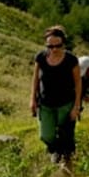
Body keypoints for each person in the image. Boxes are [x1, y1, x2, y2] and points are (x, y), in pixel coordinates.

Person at [30, 26, 82, 168]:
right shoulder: (41, 57)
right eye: (50, 46)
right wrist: (32, 99)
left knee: (65, 132)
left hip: (66, 103)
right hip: (45, 103)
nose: (54, 49)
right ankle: (55, 150)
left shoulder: (71, 60)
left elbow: (78, 83)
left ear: (63, 44)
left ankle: (66, 159)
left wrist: (76, 107)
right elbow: (35, 79)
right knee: (46, 135)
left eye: (57, 46)